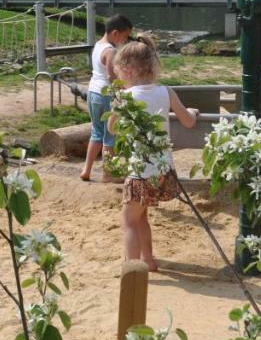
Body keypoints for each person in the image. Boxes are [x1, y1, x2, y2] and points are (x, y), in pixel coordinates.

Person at [109, 37, 199, 272]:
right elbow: (188, 122)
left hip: (140, 170)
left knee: (128, 221)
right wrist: (193, 111)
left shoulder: (126, 98)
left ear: (128, 69)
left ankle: (131, 267)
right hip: (162, 169)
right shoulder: (166, 91)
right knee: (141, 217)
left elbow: (112, 129)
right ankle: (148, 259)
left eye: (118, 71)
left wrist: (114, 108)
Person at [80, 14, 133, 182]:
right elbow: (112, 76)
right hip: (106, 96)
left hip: (93, 92)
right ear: (116, 33)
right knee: (110, 135)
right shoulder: (110, 51)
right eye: (125, 37)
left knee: (96, 133)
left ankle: (86, 170)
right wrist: (126, 90)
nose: (125, 41)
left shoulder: (98, 45)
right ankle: (107, 173)